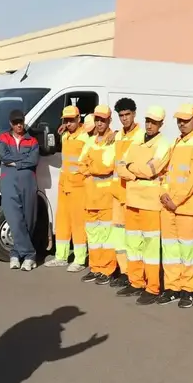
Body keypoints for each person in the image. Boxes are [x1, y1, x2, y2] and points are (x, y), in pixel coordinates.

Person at [116, 106, 171, 305]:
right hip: (132, 199)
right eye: (147, 120)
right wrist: (133, 170)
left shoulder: (163, 144)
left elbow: (152, 169)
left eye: (154, 122)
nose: (149, 125)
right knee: (133, 244)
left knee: (150, 246)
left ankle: (153, 287)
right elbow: (120, 166)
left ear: (161, 124)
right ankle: (136, 281)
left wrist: (131, 169)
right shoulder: (137, 140)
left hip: (149, 202)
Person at [158, 104, 193, 307]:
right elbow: (167, 172)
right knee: (170, 250)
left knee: (187, 250)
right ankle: (172, 287)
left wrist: (175, 200)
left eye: (186, 120)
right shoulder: (176, 142)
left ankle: (188, 289)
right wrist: (163, 193)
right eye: (179, 120)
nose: (182, 123)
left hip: (186, 206)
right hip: (169, 204)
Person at [44, 106, 90, 271]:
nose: (69, 123)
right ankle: (61, 257)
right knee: (62, 222)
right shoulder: (65, 136)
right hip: (64, 185)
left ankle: (79, 259)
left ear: (79, 118)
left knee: (78, 224)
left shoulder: (86, 137)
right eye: (66, 120)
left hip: (79, 186)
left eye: (71, 120)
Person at [78, 105, 119, 284]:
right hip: (91, 197)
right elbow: (81, 164)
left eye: (103, 119)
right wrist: (95, 168)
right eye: (97, 119)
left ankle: (108, 270)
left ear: (109, 120)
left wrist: (92, 167)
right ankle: (95, 268)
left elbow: (108, 166)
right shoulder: (90, 141)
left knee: (107, 236)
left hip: (106, 198)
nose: (99, 123)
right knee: (93, 236)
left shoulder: (113, 141)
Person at [0, 109, 40, 270]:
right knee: (14, 220)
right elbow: (4, 157)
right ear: (10, 124)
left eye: (20, 122)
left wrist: (16, 163)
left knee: (28, 220)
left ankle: (16, 254)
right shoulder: (3, 138)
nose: (19, 125)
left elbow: (34, 160)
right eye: (15, 123)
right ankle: (30, 254)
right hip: (8, 183)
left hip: (28, 183)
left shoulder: (32, 141)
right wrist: (23, 161)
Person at [109, 98, 145, 288]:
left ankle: (135, 274)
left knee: (134, 237)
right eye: (121, 115)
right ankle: (124, 271)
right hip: (117, 192)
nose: (124, 118)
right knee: (119, 236)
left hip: (133, 192)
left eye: (127, 114)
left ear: (134, 114)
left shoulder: (141, 135)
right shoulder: (118, 136)